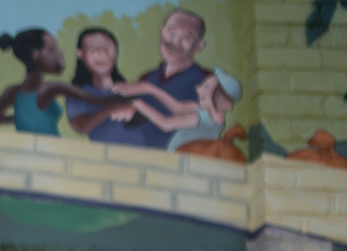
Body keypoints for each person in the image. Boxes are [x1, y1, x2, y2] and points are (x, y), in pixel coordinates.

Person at [0, 29, 126, 137]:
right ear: (36, 55)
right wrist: (123, 99)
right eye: (52, 49)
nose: (60, 52)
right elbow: (94, 100)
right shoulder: (48, 89)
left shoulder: (13, 92)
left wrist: (22, 121)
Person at [124, 9, 210, 150]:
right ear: (161, 31)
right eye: (172, 33)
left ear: (200, 45)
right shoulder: (147, 78)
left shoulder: (206, 82)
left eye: (186, 39)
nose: (175, 42)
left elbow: (195, 118)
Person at [118, 66, 241, 152]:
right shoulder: (212, 119)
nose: (198, 89)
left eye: (206, 86)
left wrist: (136, 103)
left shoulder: (198, 119)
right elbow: (177, 107)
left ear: (216, 95)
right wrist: (150, 88)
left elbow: (165, 123)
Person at [66, 27, 140, 145]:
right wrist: (113, 108)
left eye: (106, 49)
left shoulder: (130, 89)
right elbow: (81, 127)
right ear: (80, 54)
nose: (101, 54)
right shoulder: (77, 93)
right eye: (94, 49)